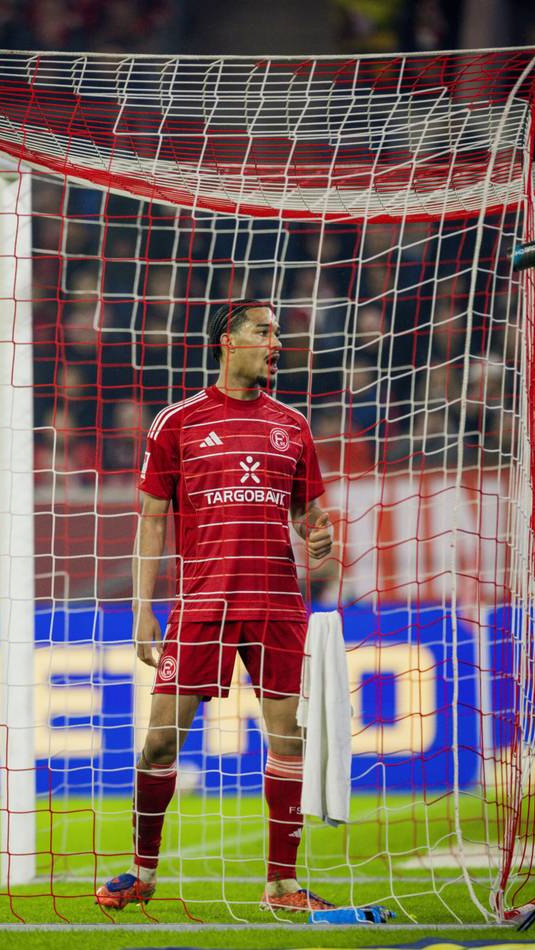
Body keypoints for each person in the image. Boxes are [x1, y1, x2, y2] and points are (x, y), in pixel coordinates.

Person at [96, 300, 336, 914]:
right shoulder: (177, 422)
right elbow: (152, 520)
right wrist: (142, 608)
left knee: (289, 741)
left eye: (277, 333)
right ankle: (143, 871)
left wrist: (321, 537)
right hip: (203, 602)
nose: (276, 342)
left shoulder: (293, 425)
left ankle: (282, 884)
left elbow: (312, 516)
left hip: (278, 602)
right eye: (264, 331)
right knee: (158, 745)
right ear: (228, 341)